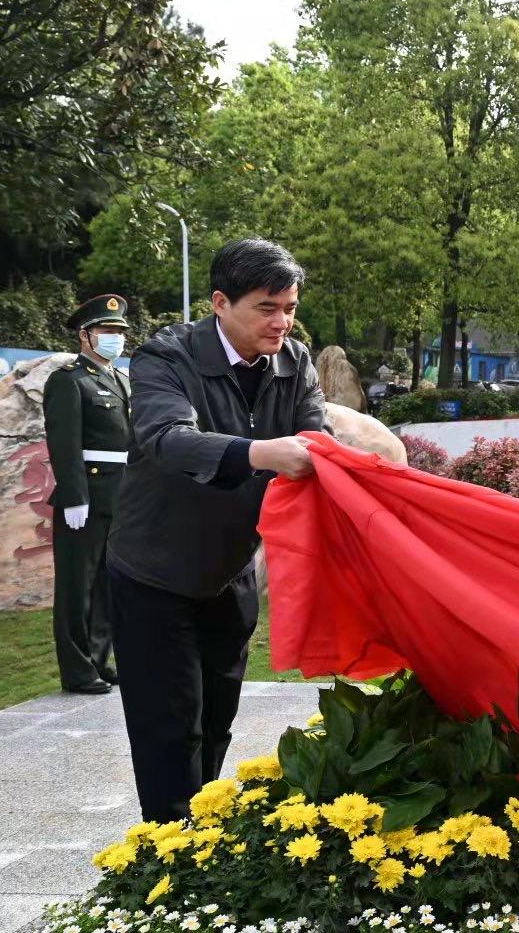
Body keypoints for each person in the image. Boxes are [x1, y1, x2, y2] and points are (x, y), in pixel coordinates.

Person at [106, 239, 329, 823]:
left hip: (229, 573)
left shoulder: (294, 361)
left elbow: (317, 442)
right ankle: (166, 851)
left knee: (216, 718)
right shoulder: (166, 357)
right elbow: (167, 439)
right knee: (168, 725)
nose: (281, 322)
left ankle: (198, 833)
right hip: (153, 572)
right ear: (220, 303)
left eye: (289, 307)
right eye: (266, 307)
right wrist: (262, 452)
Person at [43, 294, 132, 694]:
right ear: (85, 336)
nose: (115, 337)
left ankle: (98, 659)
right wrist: (75, 495)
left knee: (107, 585)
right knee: (76, 587)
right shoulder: (68, 380)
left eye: (119, 331)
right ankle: (78, 670)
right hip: (86, 498)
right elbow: (64, 444)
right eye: (106, 331)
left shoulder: (121, 379)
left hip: (120, 496)